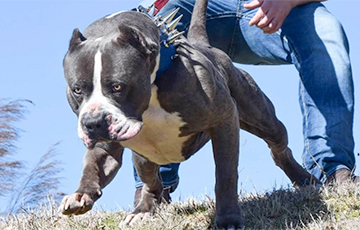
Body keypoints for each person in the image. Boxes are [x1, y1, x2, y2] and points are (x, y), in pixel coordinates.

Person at [133, 0, 357, 205]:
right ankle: (153, 187)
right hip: (194, 6)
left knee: (327, 31)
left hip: (274, 7)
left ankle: (330, 169)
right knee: (153, 26)